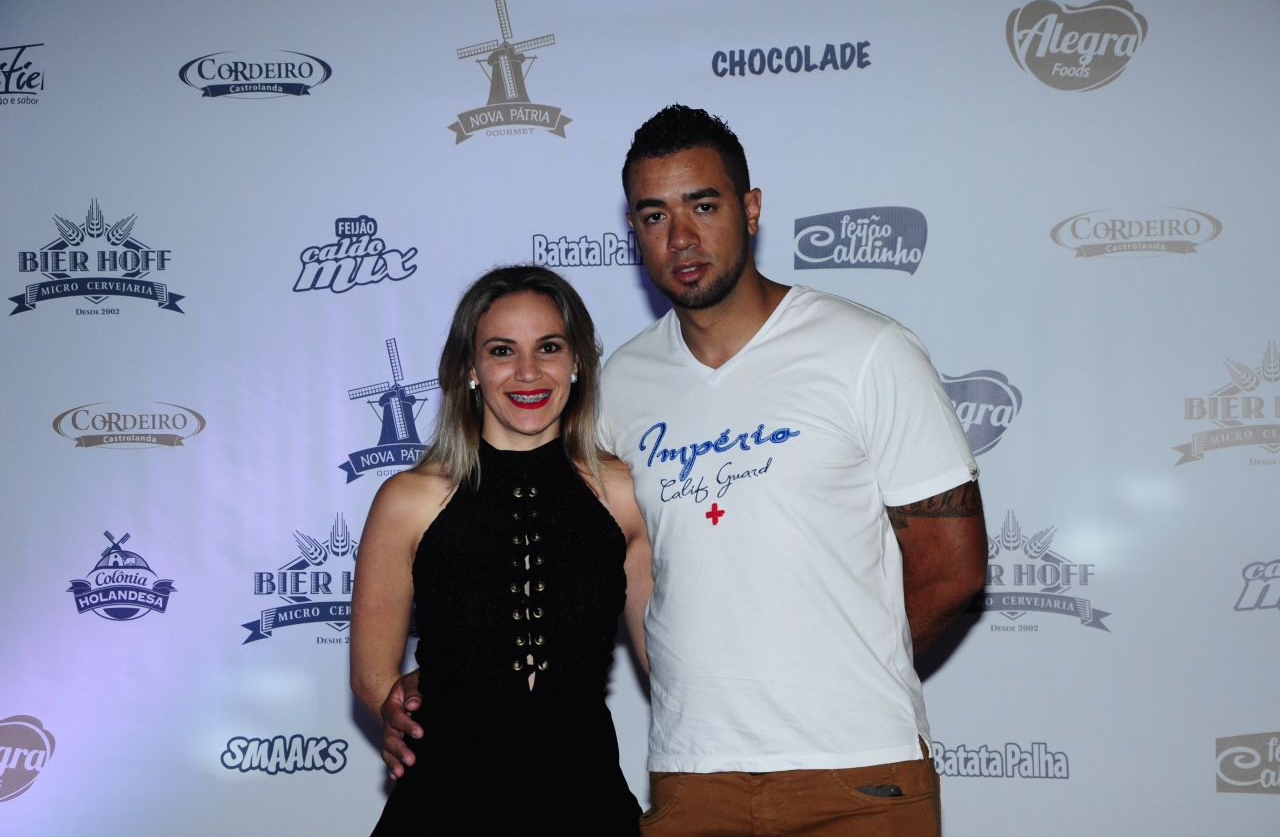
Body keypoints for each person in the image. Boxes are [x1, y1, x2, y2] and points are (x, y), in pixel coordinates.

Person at [382, 106, 988, 836]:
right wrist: (450, 679)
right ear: (633, 231)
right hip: (691, 778)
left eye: (703, 205)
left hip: (856, 772)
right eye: (654, 215)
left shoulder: (867, 352)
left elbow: (953, 569)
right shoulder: (616, 387)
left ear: (751, 209)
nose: (681, 237)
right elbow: (544, 553)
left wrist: (842, 674)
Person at [351, 266, 652, 835]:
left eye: (549, 347)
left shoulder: (624, 494)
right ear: (470, 367)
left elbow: (666, 662)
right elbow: (372, 676)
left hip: (587, 806)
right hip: (443, 809)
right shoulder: (408, 500)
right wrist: (401, 708)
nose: (528, 371)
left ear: (577, 361)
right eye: (501, 350)